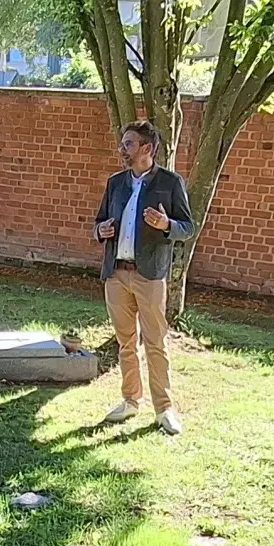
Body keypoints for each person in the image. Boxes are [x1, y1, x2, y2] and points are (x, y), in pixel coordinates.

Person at [92, 120, 195, 435]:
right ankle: (130, 400)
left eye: (128, 144)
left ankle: (164, 409)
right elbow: (98, 221)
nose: (121, 149)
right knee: (126, 342)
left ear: (147, 148)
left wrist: (166, 225)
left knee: (155, 342)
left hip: (149, 276)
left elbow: (187, 227)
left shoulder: (170, 183)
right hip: (116, 274)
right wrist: (101, 230)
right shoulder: (116, 183)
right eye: (123, 143)